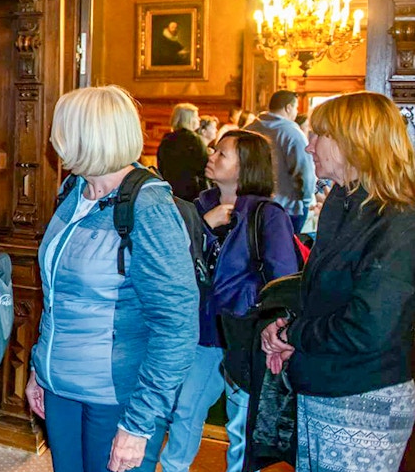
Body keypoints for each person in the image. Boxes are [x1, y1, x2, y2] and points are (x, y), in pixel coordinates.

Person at [25, 85, 198, 472]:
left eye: (61, 128)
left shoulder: (148, 207)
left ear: (88, 135)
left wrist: (138, 425)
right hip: (60, 388)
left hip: (116, 397)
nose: (53, 138)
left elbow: (176, 326)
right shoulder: (74, 191)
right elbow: (56, 295)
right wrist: (40, 368)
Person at [260, 92, 415, 472]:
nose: (309, 145)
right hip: (325, 384)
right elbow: (322, 291)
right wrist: (283, 327)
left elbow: (368, 327)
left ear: (353, 142)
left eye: (319, 136)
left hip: (363, 396)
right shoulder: (344, 201)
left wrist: (295, 334)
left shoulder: (398, 218)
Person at [141, 130, 299, 472]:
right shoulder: (198, 205)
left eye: (222, 154)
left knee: (241, 425)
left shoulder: (267, 215)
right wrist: (202, 225)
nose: (211, 156)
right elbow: (172, 258)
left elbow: (283, 280)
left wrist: (271, 327)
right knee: (185, 410)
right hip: (203, 330)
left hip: (246, 335)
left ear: (245, 168)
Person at [244, 91, 316, 233]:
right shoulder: (292, 133)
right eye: (295, 109)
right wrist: (307, 201)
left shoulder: (248, 129)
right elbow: (304, 171)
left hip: (252, 205)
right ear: (288, 108)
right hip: (288, 207)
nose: (295, 113)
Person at [157, 103, 208, 201]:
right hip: (192, 193)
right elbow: (204, 167)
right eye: (196, 116)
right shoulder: (195, 140)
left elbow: (161, 167)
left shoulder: (166, 140)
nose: (199, 119)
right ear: (189, 119)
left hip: (170, 192)